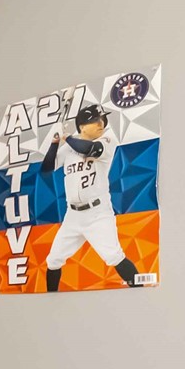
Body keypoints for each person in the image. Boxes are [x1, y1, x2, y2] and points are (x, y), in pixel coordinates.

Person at [42, 103, 143, 291]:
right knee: (53, 260)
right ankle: (49, 297)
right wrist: (55, 142)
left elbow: (89, 149)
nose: (100, 123)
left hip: (98, 213)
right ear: (82, 126)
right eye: (94, 120)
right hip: (72, 216)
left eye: (101, 119)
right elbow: (46, 169)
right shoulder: (68, 149)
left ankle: (141, 290)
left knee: (113, 256)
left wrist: (66, 136)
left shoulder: (107, 141)